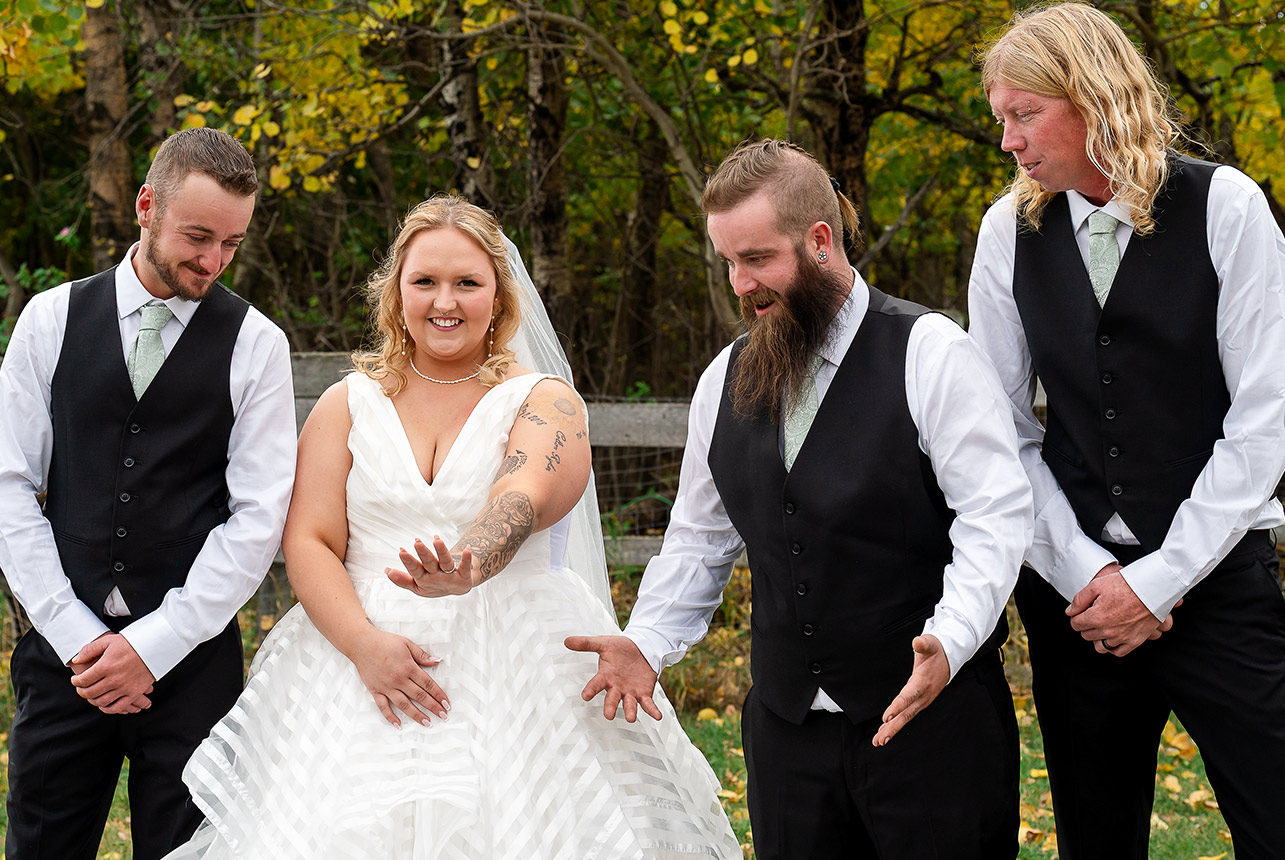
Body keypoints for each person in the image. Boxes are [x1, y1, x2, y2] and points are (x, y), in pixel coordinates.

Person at [163, 195, 740, 859]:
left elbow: (523, 491)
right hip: (355, 663)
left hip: (514, 663)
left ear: (500, 294)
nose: (446, 301)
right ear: (395, 292)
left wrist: (472, 559)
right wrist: (363, 646)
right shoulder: (345, 404)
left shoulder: (544, 400)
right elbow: (310, 540)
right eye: (425, 281)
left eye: (467, 282)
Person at [568, 139, 1033, 860]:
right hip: (785, 734)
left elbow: (994, 517)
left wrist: (951, 638)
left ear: (819, 241)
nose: (740, 284)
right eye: (727, 261)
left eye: (757, 259)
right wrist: (648, 642)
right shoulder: (722, 377)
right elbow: (697, 539)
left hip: (931, 723)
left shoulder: (930, 351)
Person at [967, 5, 1285, 859]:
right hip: (1076, 598)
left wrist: (1159, 580)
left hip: (1217, 583)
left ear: (1094, 97)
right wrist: (1091, 575)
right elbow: (998, 435)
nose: (1008, 142)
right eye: (1001, 119)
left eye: (1023, 114)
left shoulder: (1226, 208)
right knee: (1095, 840)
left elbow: (1263, 423)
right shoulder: (1007, 232)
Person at [0, 128, 296, 859]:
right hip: (61, 658)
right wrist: (80, 639)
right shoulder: (50, 319)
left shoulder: (258, 344)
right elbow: (10, 489)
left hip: (194, 668)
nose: (213, 261)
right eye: (198, 236)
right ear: (145, 206)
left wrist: (154, 646)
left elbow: (256, 520)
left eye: (231, 243)